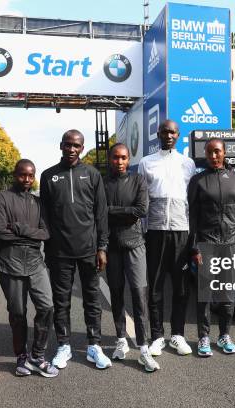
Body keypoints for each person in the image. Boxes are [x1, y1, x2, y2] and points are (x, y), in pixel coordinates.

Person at [40, 129, 111, 370]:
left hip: (88, 250)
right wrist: (48, 248)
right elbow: (45, 215)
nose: (72, 149)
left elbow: (101, 213)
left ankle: (94, 345)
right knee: (61, 302)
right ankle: (64, 345)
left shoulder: (92, 174)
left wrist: (102, 247)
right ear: (61, 145)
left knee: (92, 300)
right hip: (59, 253)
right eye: (68, 144)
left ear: (82, 148)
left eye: (76, 145)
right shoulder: (48, 175)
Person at [0, 159, 58, 378]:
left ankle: (37, 355)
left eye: (31, 175)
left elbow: (45, 234)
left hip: (34, 261)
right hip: (9, 262)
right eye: (23, 175)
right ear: (15, 174)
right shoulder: (3, 197)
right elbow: (0, 233)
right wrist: (31, 234)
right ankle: (21, 356)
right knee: (18, 313)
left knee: (47, 306)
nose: (27, 180)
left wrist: (20, 229)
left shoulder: (38, 202)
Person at [137, 119, 196, 357]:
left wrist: (193, 236)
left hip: (182, 232)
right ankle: (157, 336)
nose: (168, 135)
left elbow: (191, 201)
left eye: (172, 132)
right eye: (164, 131)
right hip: (155, 232)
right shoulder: (146, 162)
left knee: (181, 288)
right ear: (158, 134)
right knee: (156, 287)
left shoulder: (188, 163)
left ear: (178, 135)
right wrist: (143, 231)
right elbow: (142, 200)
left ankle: (178, 335)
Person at [187, 138, 235, 357]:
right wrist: (194, 247)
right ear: (205, 153)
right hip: (206, 243)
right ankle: (203, 336)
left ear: (224, 153)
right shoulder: (198, 181)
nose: (213, 156)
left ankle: (224, 335)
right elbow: (192, 217)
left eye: (217, 152)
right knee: (205, 294)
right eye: (210, 152)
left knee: (227, 294)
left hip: (230, 244)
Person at [103, 143, 159, 372]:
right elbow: (100, 212)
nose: (120, 162)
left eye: (124, 158)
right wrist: (124, 212)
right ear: (110, 159)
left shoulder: (138, 181)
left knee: (139, 295)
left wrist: (113, 210)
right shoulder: (103, 183)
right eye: (116, 158)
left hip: (135, 245)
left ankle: (143, 348)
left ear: (129, 159)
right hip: (112, 248)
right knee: (116, 294)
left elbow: (141, 210)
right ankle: (121, 341)